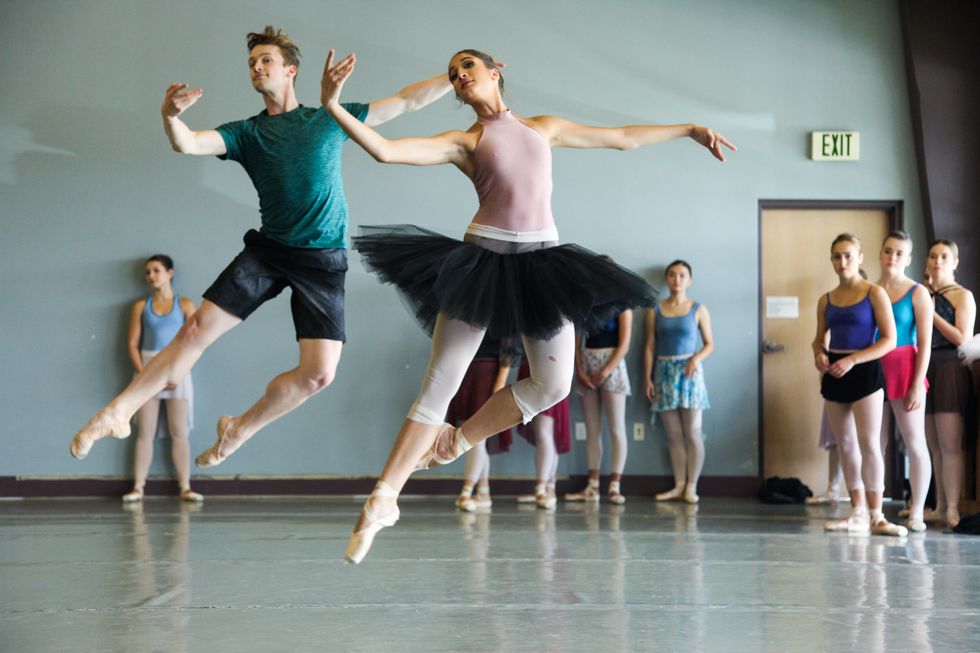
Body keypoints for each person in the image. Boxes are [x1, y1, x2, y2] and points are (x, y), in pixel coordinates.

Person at [320, 48, 735, 563]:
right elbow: (384, 150)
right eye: (452, 74)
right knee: (440, 381)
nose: (458, 76)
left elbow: (622, 139)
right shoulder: (464, 140)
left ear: (495, 72)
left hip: (543, 263)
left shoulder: (544, 128)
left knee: (553, 384)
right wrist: (333, 105)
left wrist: (689, 128)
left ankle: (455, 442)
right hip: (482, 263)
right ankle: (384, 497)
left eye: (466, 66)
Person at [69, 27, 455, 463]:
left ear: (290, 70)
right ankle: (116, 413)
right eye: (252, 63)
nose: (256, 67)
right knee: (194, 332)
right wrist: (170, 116)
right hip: (269, 251)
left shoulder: (328, 117)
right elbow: (189, 143)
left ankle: (238, 429)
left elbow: (405, 101)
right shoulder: (247, 133)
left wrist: (455, 73)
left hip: (323, 259)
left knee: (318, 375)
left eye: (266, 60)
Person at [813, 233, 905, 536]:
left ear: (860, 257)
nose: (842, 262)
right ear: (831, 260)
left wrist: (853, 360)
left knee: (869, 443)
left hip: (865, 371)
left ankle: (878, 515)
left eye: (848, 256)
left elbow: (889, 340)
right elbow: (818, 339)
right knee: (846, 445)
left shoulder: (874, 292)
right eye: (837, 256)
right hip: (835, 373)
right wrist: (819, 355)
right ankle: (857, 513)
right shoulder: (825, 300)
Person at [122, 255, 202, 503]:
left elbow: (197, 343)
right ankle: (138, 487)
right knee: (145, 431)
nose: (151, 276)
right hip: (147, 371)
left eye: (156, 270)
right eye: (147, 272)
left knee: (179, 431)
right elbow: (133, 344)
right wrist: (144, 374)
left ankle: (185, 487)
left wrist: (178, 371)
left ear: (170, 272)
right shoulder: (140, 306)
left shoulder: (186, 304)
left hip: (178, 371)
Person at [874, 231, 933, 532]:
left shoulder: (917, 292)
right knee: (874, 442)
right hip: (874, 369)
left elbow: (924, 342)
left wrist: (916, 384)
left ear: (908, 259)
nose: (892, 257)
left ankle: (917, 511)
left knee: (914, 441)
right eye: (888, 251)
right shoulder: (870, 290)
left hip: (906, 368)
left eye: (899, 252)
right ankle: (874, 508)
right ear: (880, 253)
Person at [644, 260, 714, 504]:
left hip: (689, 373)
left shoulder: (698, 308)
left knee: (693, 432)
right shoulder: (656, 309)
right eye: (672, 275)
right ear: (667, 279)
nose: (677, 279)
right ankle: (679, 484)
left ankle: (692, 486)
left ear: (689, 280)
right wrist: (648, 377)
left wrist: (695, 359)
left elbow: (709, 343)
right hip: (663, 372)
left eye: (682, 275)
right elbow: (650, 346)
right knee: (673, 435)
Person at [922, 239, 975, 528]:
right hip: (924, 364)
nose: (937, 260)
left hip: (950, 366)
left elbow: (961, 337)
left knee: (950, 442)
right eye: (933, 256)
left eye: (944, 256)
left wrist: (932, 313)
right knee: (933, 444)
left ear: (954, 262)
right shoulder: (921, 292)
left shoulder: (962, 295)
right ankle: (939, 504)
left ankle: (953, 507)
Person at [566, 301, 633, 504]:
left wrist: (604, 372)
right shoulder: (585, 307)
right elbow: (577, 342)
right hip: (587, 363)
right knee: (592, 429)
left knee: (616, 428)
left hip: (612, 364)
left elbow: (625, 344)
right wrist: (579, 369)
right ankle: (592, 486)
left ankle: (615, 486)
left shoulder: (623, 307)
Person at [449, 338, 518, 511]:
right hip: (468, 376)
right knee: (477, 438)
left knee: (476, 438)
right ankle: (483, 491)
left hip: (487, 379)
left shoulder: (502, 318)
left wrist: (499, 387)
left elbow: (508, 350)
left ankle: (467, 490)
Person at [513, 363, 572, 510]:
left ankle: (543, 487)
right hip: (537, 369)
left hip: (548, 370)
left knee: (544, 433)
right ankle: (547, 485)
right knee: (546, 434)